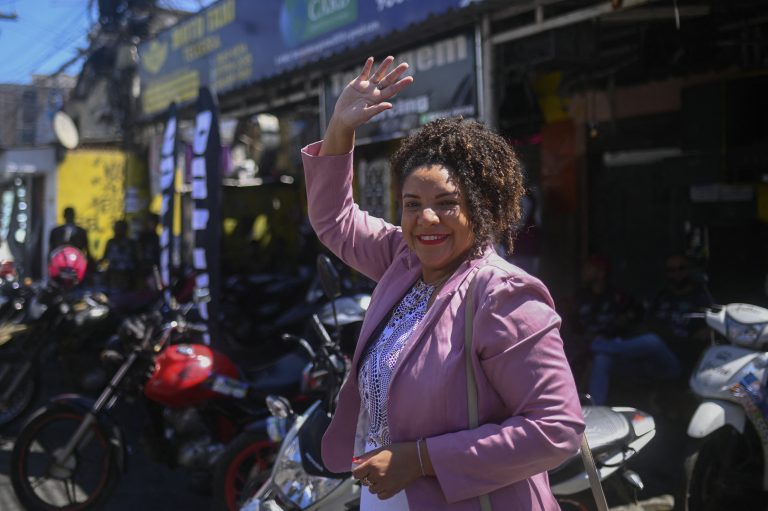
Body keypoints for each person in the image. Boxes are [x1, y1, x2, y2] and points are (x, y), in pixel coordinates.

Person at [302, 56, 584, 510]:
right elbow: (335, 220)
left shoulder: (503, 295)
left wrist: (420, 459)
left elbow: (557, 428)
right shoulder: (404, 260)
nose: (426, 218)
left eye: (447, 202)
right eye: (412, 204)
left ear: (483, 207)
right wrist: (340, 128)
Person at [573, 255, 681, 406]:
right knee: (602, 359)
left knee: (652, 341)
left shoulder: (619, 297)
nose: (584, 272)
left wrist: (621, 323)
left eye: (588, 268)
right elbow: (573, 331)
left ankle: (598, 345)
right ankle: (595, 411)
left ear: (601, 272)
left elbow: (636, 319)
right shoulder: (579, 298)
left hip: (634, 351)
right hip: (608, 355)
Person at [646, 254, 714, 376]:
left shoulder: (701, 296)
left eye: (681, 268)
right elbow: (649, 322)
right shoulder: (661, 297)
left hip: (687, 353)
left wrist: (706, 331)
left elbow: (714, 325)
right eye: (671, 270)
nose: (677, 273)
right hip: (660, 352)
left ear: (688, 270)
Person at [100, 219, 139, 293]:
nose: (118, 230)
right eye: (117, 228)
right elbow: (104, 258)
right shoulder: (111, 242)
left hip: (128, 275)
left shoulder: (131, 243)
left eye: (121, 228)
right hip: (114, 275)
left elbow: (136, 259)